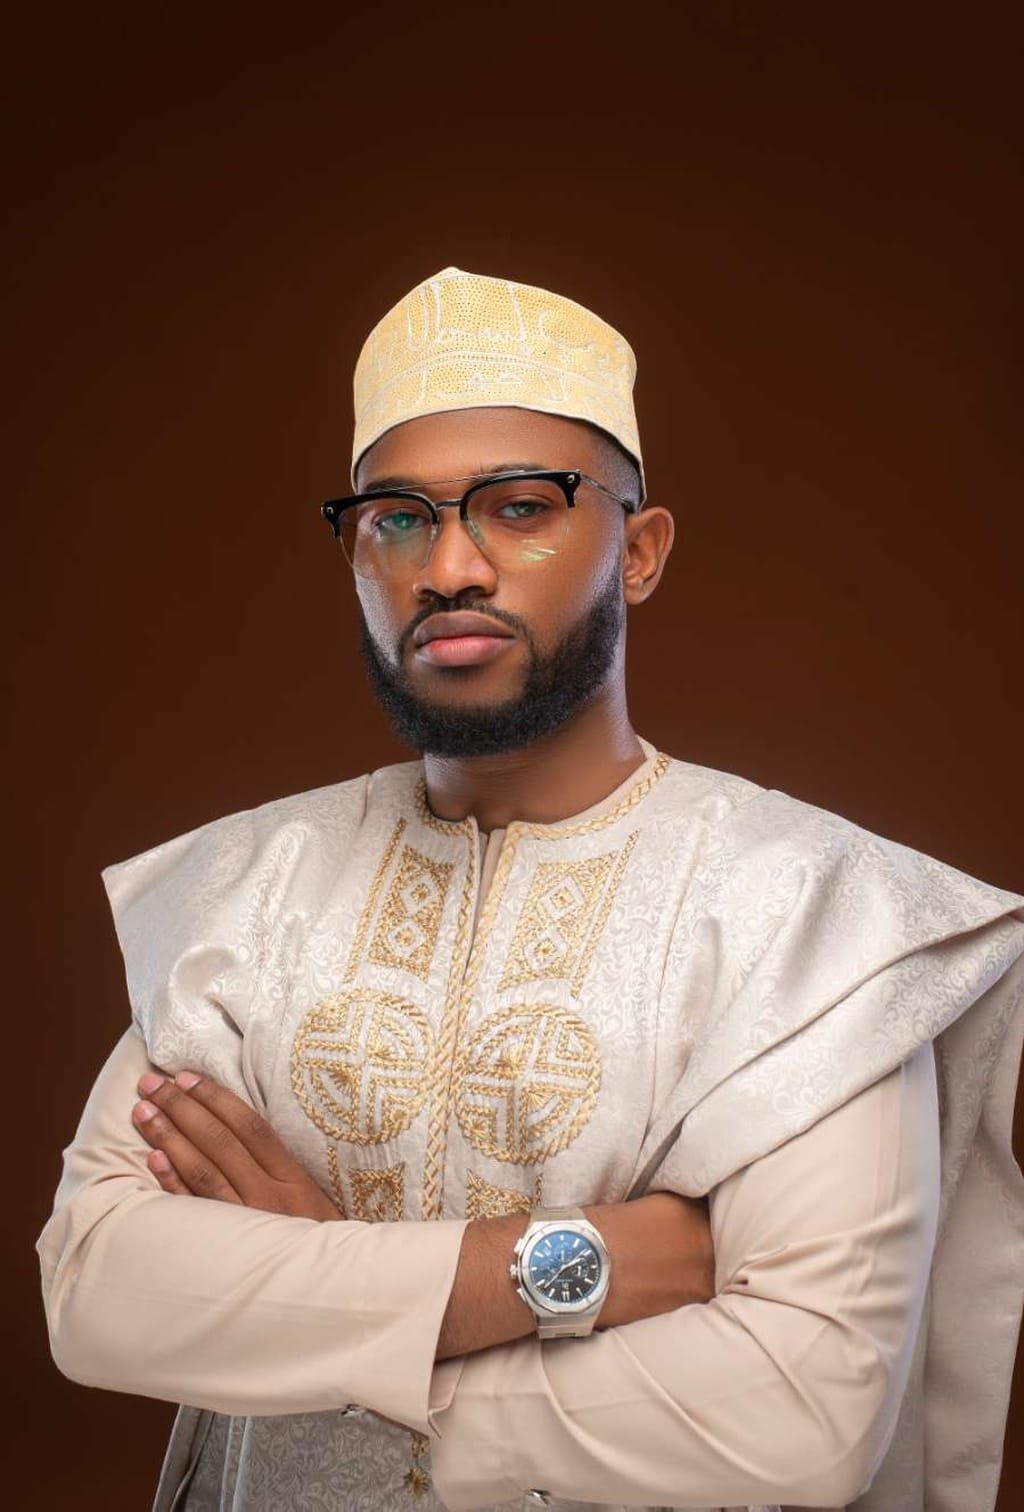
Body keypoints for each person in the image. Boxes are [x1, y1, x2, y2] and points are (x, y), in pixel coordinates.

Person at [37, 266, 1024, 1512]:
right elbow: (100, 1289)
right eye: (397, 518)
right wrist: (565, 1267)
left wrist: (328, 1321)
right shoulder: (245, 894)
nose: (449, 565)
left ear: (639, 551)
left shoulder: (813, 916)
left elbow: (801, 1406)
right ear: (355, 557)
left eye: (519, 508)